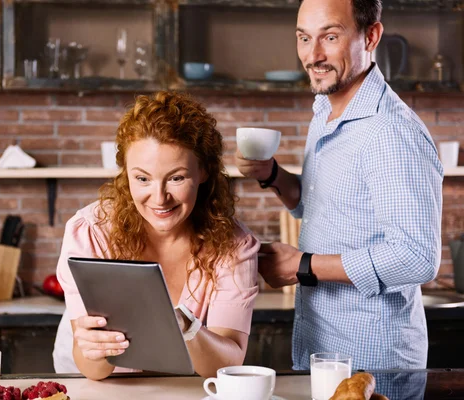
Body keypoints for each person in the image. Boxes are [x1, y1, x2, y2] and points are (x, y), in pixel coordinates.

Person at [235, 0, 443, 370]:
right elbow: (320, 204)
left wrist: (303, 265)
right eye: (303, 38)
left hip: (373, 363)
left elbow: (416, 257)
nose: (312, 55)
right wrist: (272, 175)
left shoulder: (390, 131)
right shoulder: (326, 111)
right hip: (321, 350)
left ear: (371, 36)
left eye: (330, 36)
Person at [54, 91, 260, 380]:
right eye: (142, 178)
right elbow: (92, 369)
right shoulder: (90, 232)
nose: (159, 198)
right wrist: (98, 347)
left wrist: (187, 328)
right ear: (126, 173)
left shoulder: (234, 245)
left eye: (176, 178)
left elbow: (227, 364)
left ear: (203, 171)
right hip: (102, 387)